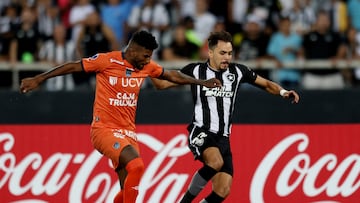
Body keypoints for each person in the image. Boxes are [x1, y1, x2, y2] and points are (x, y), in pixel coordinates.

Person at [19, 30, 221, 203]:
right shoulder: (107, 60)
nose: (148, 60)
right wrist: (39, 78)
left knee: (127, 192)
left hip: (128, 133)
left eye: (150, 56)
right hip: (103, 130)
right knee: (137, 165)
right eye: (146, 56)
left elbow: (172, 75)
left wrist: (202, 83)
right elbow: (73, 65)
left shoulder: (145, 67)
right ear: (133, 51)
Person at [151, 30, 300, 203]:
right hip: (200, 130)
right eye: (222, 53)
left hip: (223, 138)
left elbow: (266, 83)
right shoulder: (195, 70)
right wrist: (148, 67)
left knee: (223, 190)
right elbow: (161, 84)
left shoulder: (238, 72)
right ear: (210, 52)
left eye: (230, 53)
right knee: (215, 162)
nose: (227, 57)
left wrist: (283, 92)